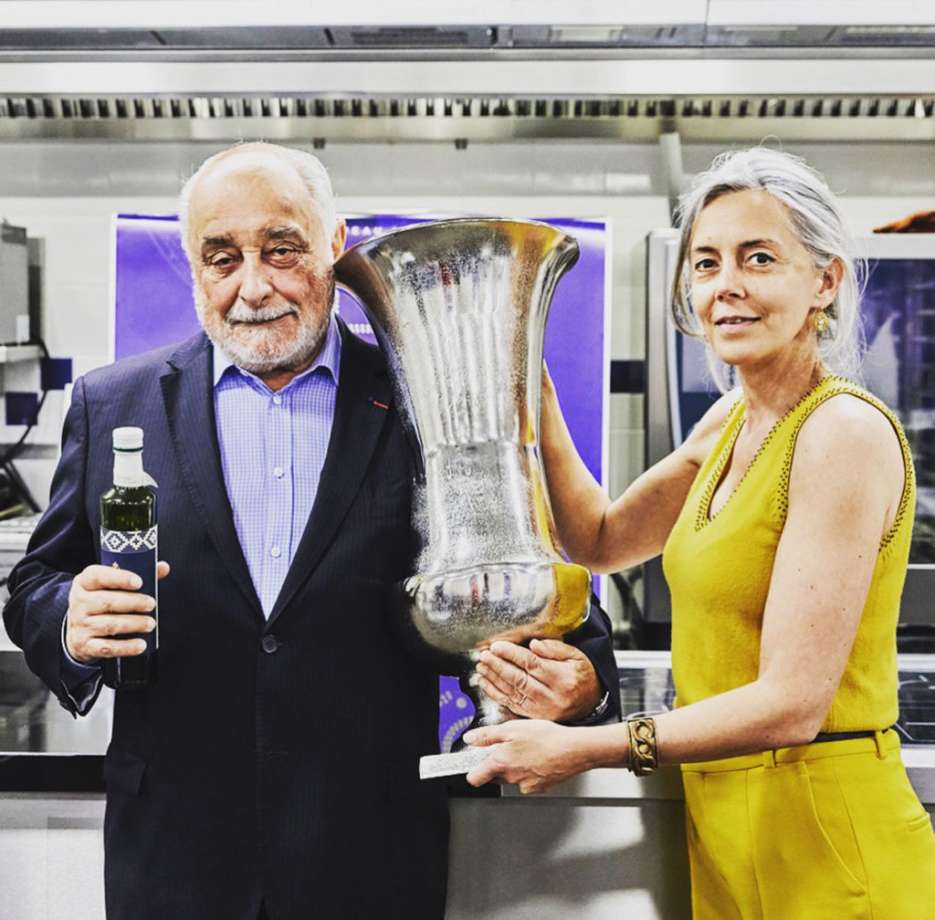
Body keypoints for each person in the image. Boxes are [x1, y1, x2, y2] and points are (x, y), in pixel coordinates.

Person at [2, 141, 620, 920]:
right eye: (221, 258)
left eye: (281, 249)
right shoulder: (113, 403)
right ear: (193, 268)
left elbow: (518, 588)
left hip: (369, 856)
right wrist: (69, 620)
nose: (253, 286)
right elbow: (36, 584)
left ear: (334, 245)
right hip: (174, 857)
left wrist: (583, 683)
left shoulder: (423, 396)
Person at [465, 147, 935, 918]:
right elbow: (601, 539)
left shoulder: (840, 432)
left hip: (826, 835)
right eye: (706, 263)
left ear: (824, 281)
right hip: (727, 829)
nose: (725, 286)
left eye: (758, 258)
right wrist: (533, 389)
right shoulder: (728, 421)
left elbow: (792, 703)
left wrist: (582, 745)